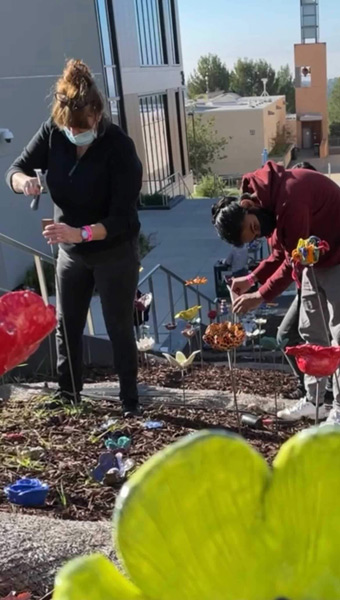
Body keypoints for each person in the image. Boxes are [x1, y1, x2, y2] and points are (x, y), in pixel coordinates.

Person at [6, 59, 143, 417]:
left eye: (80, 128)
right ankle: (69, 395)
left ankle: (129, 400)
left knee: (118, 328)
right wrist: (26, 184)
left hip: (113, 250)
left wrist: (79, 233)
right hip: (70, 251)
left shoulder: (119, 148)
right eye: (68, 127)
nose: (73, 133)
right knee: (66, 326)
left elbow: (123, 219)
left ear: (97, 114)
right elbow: (15, 169)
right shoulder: (54, 132)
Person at [212, 160, 340, 425]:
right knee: (310, 333)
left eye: (255, 228)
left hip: (336, 256)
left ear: (248, 206)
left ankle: (338, 408)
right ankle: (315, 403)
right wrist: (250, 279)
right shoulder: (265, 206)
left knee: (338, 335)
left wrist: (260, 296)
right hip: (314, 259)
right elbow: (281, 252)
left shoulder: (290, 199)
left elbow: (293, 260)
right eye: (254, 236)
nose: (259, 232)